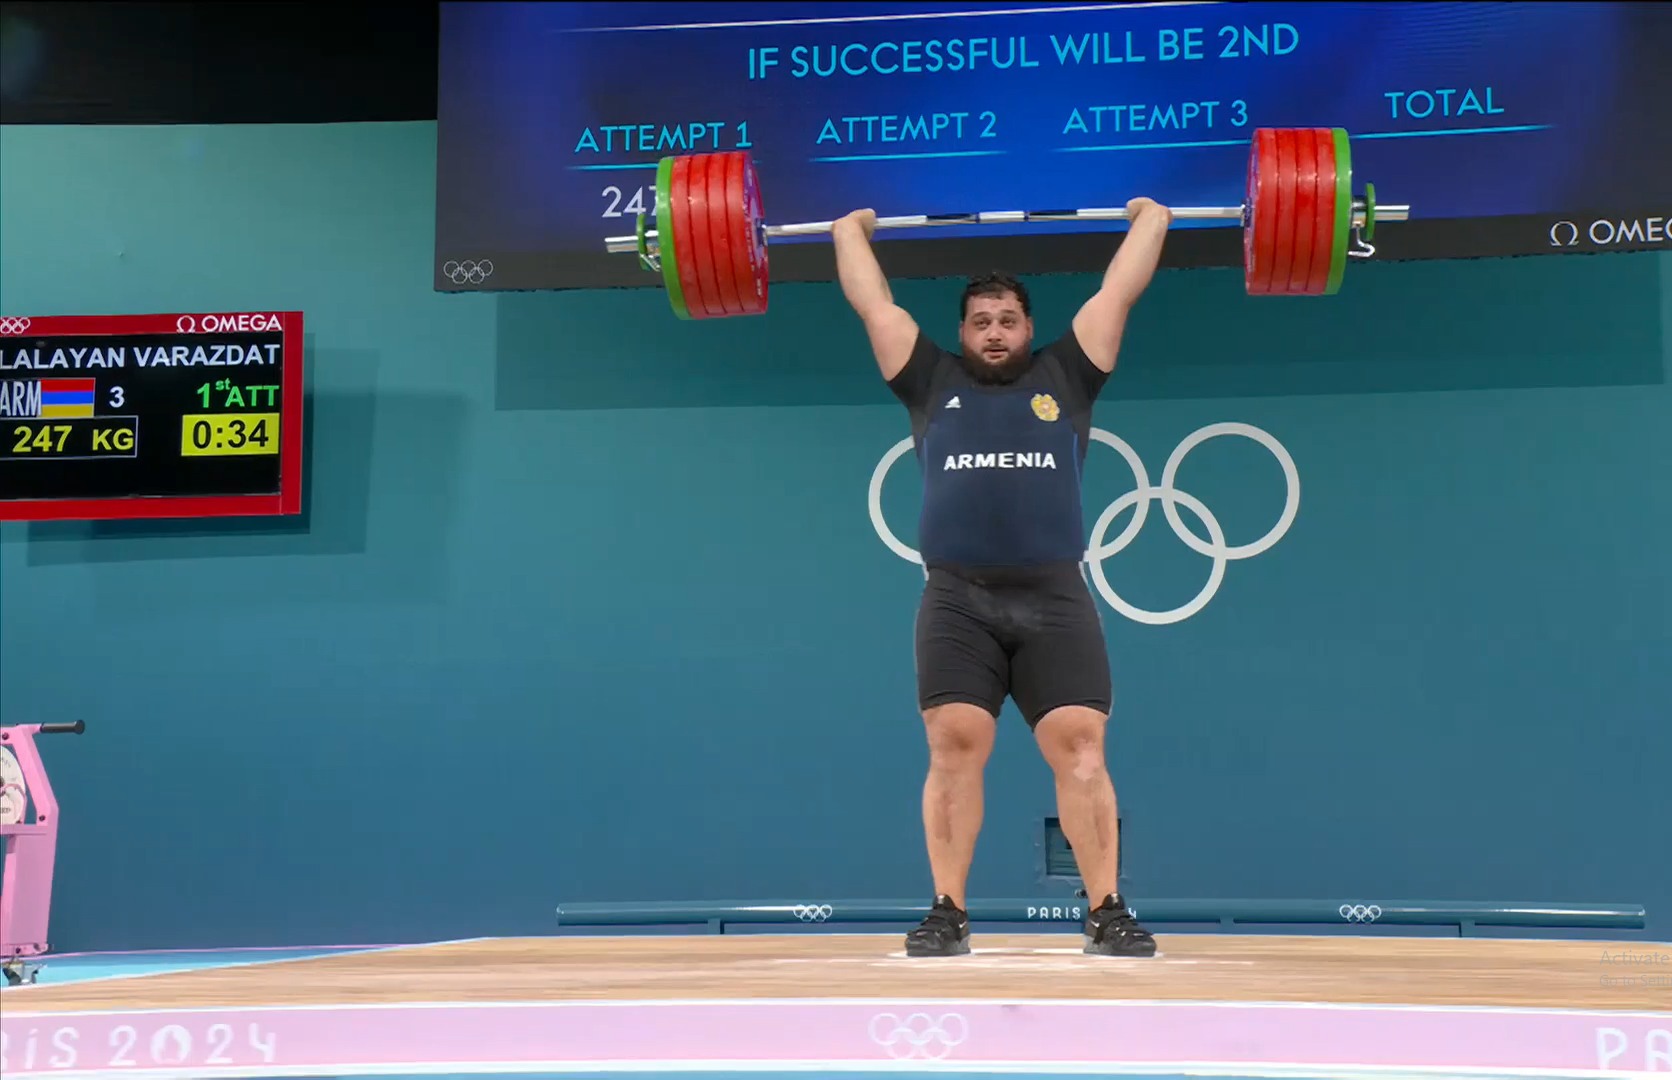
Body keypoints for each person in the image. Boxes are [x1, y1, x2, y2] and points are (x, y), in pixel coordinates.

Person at [832, 198, 1173, 959]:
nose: (994, 332)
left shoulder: (1069, 374)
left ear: (1027, 325)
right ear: (962, 331)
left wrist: (1152, 220)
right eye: (981, 321)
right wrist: (848, 233)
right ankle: (948, 911)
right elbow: (874, 302)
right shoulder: (928, 379)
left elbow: (1117, 291)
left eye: (1007, 319)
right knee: (954, 744)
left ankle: (1106, 908)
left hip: (1053, 596)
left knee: (1082, 746)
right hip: (958, 597)